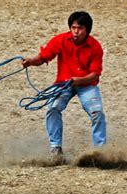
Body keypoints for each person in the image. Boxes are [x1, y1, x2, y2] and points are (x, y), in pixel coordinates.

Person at [22, 11, 106, 160]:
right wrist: (30, 61)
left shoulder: (95, 47)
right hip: (63, 82)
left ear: (87, 30)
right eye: (73, 27)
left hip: (86, 84)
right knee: (53, 108)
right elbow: (43, 57)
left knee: (97, 113)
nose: (75, 31)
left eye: (79, 28)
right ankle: (56, 148)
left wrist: (78, 81)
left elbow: (94, 75)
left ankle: (100, 151)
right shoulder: (60, 40)